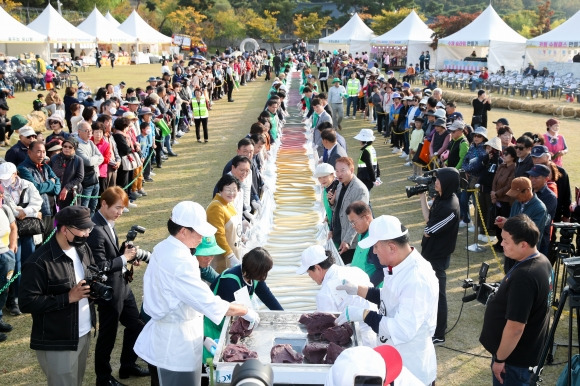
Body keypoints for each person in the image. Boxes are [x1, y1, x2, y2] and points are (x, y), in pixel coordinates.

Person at [133, 201, 259, 386]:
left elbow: (184, 300)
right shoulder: (179, 261)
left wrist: (203, 338)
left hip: (175, 336)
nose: (202, 237)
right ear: (183, 231)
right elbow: (208, 302)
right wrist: (243, 311)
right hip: (174, 347)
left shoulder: (165, 247)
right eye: (198, 232)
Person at [335, 215, 438, 385]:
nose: (373, 252)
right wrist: (359, 290)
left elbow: (402, 329)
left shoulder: (416, 279)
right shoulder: (399, 264)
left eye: (375, 247)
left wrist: (364, 314)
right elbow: (391, 297)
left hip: (410, 368)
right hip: (391, 359)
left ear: (391, 247)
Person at [19, 206, 97, 386]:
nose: (86, 234)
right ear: (64, 229)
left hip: (84, 333)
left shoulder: (83, 249)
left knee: (76, 382)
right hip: (58, 340)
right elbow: (27, 302)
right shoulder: (38, 262)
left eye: (89, 228)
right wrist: (68, 297)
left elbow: (91, 274)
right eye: (82, 229)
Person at [86, 187, 150, 385]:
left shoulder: (108, 222)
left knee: (136, 325)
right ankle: (103, 379)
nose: (120, 212)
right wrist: (124, 258)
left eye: (123, 208)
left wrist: (124, 253)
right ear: (103, 204)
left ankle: (127, 365)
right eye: (117, 207)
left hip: (122, 287)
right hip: (109, 292)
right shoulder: (95, 229)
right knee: (108, 335)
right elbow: (98, 267)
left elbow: (110, 254)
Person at [479, 214, 552, 386]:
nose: (501, 243)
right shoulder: (542, 261)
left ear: (523, 244)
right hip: (525, 356)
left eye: (506, 240)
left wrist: (500, 359)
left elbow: (515, 328)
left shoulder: (525, 277)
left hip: (513, 363)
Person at [204, 247, 283, 357]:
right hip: (214, 327)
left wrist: (282, 317)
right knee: (213, 360)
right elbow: (229, 311)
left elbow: (268, 298)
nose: (265, 276)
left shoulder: (253, 277)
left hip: (230, 322)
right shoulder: (230, 281)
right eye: (264, 272)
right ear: (255, 270)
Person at [297, 245, 377, 346]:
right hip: (374, 333)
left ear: (317, 268)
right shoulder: (355, 271)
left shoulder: (325, 293)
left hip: (356, 342)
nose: (310, 277)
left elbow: (326, 328)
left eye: (309, 272)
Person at [418, 167, 460, 345]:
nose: (435, 182)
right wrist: (422, 198)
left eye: (439, 180)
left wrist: (429, 231)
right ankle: (430, 325)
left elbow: (429, 230)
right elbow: (428, 220)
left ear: (447, 183)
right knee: (429, 291)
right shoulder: (441, 199)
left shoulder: (450, 206)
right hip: (430, 252)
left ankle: (439, 334)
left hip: (438, 256)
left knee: (438, 294)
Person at [495, 177, 549, 273]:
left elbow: (532, 234)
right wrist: (506, 221)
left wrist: (507, 223)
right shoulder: (517, 203)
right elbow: (513, 220)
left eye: (517, 194)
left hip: (525, 254)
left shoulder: (540, 208)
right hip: (512, 249)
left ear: (527, 191)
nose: (515, 197)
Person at [328, 157, 370, 264]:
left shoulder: (360, 190)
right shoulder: (340, 185)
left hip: (351, 243)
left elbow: (359, 219)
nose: (339, 174)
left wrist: (347, 241)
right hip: (339, 235)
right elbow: (339, 211)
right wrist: (332, 202)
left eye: (343, 170)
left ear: (351, 170)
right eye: (337, 171)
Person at [17, 141, 61, 240]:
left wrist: (50, 185)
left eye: (44, 152)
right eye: (38, 152)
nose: (42, 155)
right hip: (40, 211)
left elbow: (57, 184)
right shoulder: (23, 168)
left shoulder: (45, 166)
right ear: (29, 152)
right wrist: (51, 183)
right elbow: (36, 188)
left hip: (52, 209)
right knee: (41, 242)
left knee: (52, 238)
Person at [206, 174, 243, 272]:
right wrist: (230, 256)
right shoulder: (216, 207)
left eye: (234, 189)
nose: (232, 193)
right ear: (220, 189)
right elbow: (218, 235)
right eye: (228, 189)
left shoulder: (229, 203)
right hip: (224, 258)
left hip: (235, 251)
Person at [346, 201, 384, 287]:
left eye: (354, 222)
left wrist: (366, 288)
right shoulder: (363, 233)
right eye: (351, 223)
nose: (353, 226)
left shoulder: (375, 240)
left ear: (366, 218)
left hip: (370, 293)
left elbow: (382, 271)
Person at [527, 164, 557, 256]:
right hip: (525, 237)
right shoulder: (528, 192)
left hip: (540, 240)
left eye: (536, 177)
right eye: (531, 176)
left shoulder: (550, 197)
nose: (532, 180)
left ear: (546, 179)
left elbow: (541, 219)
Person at [0, 183, 16, 342]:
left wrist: (12, 248)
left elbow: (13, 227)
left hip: (6, 255)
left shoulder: (5, 209)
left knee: (4, 289)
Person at [76, 122, 103, 215]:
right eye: (86, 131)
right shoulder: (77, 145)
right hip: (86, 180)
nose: (89, 133)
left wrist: (93, 161)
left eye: (90, 131)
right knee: (85, 205)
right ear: (79, 131)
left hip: (96, 177)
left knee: (93, 205)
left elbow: (101, 157)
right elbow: (88, 162)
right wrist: (95, 159)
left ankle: (91, 226)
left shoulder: (91, 142)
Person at [50, 136, 84, 208]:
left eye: (70, 147)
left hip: (72, 193)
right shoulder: (54, 158)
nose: (67, 149)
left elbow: (79, 177)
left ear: (74, 149)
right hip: (56, 191)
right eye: (65, 146)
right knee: (58, 215)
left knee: (71, 214)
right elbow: (49, 173)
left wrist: (66, 188)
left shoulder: (78, 160)